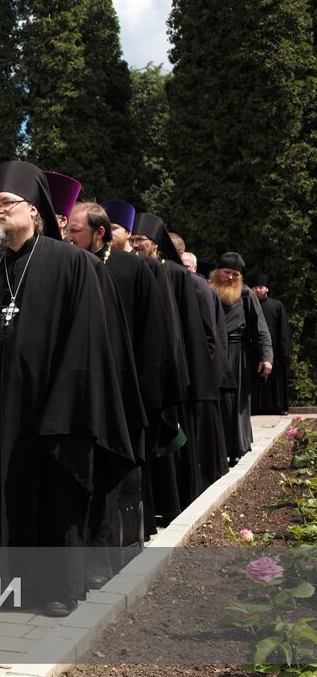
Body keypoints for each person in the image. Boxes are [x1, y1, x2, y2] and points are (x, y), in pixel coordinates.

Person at [0, 161, 132, 617]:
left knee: (51, 496)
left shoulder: (72, 262)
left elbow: (88, 340)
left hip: (50, 408)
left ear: (33, 210)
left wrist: (67, 405)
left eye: (5, 204)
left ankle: (53, 588)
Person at [66, 201, 185, 568]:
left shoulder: (136, 268)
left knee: (124, 472)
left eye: (75, 231)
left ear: (99, 233)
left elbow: (155, 333)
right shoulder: (67, 266)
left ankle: (122, 542)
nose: (69, 237)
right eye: (68, 231)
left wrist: (147, 393)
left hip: (124, 386)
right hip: (83, 387)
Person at [130, 213, 227, 519]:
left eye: (139, 241)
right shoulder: (136, 270)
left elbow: (192, 328)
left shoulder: (177, 274)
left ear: (156, 245)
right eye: (132, 240)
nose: (135, 245)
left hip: (175, 364)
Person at [209, 253, 273, 465]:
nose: (230, 278)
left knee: (237, 404)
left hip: (237, 353)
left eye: (235, 274)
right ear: (218, 272)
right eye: (227, 273)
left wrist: (266, 357)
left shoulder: (246, 294)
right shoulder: (207, 291)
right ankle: (215, 449)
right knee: (215, 402)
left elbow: (260, 328)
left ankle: (237, 448)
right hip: (213, 350)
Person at [251, 275, 292, 415]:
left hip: (275, 351)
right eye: (255, 287)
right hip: (253, 350)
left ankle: (278, 407)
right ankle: (255, 407)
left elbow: (283, 329)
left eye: (260, 287)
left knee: (276, 382)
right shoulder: (247, 305)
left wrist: (284, 351)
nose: (257, 290)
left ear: (266, 289)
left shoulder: (277, 305)